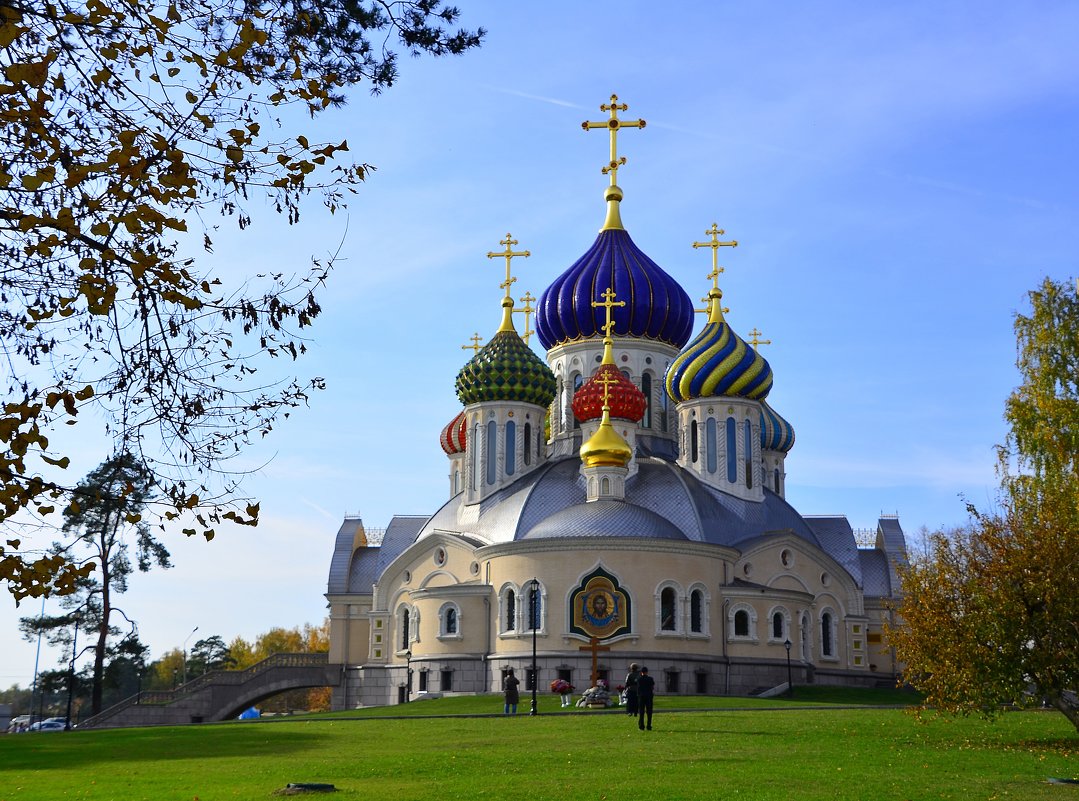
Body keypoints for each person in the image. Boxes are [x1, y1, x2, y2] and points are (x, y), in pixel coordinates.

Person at [636, 666, 655, 730]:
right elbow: (652, 687)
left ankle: (641, 725)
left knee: (641, 712)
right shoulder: (650, 679)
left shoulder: (639, 679)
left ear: (641, 672)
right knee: (649, 711)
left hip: (641, 696)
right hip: (649, 696)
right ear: (647, 672)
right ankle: (649, 725)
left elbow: (638, 688)